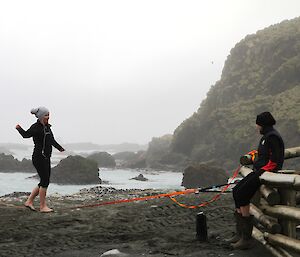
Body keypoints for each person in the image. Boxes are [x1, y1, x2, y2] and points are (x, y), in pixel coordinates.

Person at [228, 111, 284, 250]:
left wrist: (262, 171)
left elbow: (275, 160)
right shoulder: (266, 137)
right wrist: (255, 159)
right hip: (260, 171)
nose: (256, 126)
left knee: (242, 195)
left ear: (262, 124)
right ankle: (240, 232)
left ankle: (246, 238)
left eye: (257, 123)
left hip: (266, 173)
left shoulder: (272, 137)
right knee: (236, 191)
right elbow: (264, 154)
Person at [16, 107, 65, 213]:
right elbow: (26, 135)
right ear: (41, 116)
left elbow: (51, 140)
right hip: (38, 157)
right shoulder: (36, 127)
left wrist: (59, 148)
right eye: (46, 115)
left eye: (48, 115)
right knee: (45, 181)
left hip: (46, 157)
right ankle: (43, 207)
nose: (48, 117)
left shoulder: (47, 128)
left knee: (45, 180)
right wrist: (19, 128)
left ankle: (29, 202)